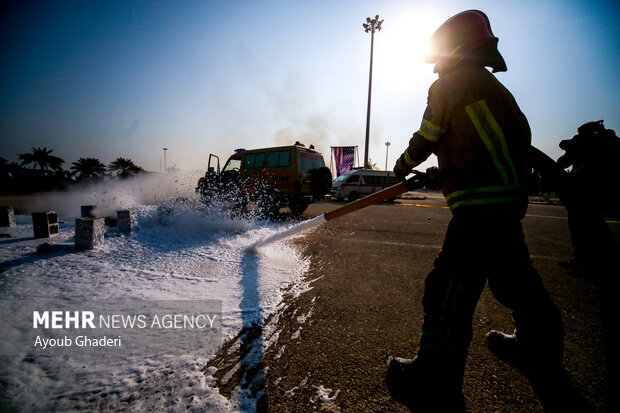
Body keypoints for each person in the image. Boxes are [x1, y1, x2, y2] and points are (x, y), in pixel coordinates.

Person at [387, 10, 585, 412]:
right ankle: (537, 351)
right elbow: (485, 149)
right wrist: (440, 174)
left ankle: (432, 381)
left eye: (440, 56)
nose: (437, 64)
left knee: (447, 292)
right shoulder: (496, 91)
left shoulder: (448, 86)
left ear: (453, 51)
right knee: (518, 285)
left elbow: (427, 136)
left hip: (477, 211)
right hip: (506, 207)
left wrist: (403, 165)